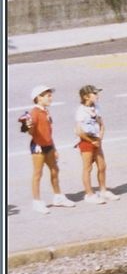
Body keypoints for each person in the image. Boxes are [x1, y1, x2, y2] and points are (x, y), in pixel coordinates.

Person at [28, 86, 74, 214]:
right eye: (48, 96)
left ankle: (58, 197)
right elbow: (31, 131)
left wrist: (54, 147)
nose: (51, 98)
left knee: (55, 170)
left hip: (49, 146)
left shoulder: (46, 112)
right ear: (39, 97)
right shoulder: (35, 113)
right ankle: (37, 201)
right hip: (38, 146)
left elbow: (48, 132)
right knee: (38, 173)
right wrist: (29, 126)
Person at [76, 84, 119, 204]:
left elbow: (101, 124)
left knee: (102, 166)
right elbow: (79, 131)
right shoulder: (81, 111)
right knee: (88, 168)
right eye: (94, 94)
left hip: (96, 139)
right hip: (86, 140)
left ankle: (103, 190)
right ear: (86, 97)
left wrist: (100, 138)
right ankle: (89, 194)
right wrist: (92, 141)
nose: (97, 96)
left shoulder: (97, 107)